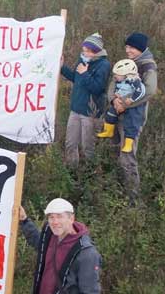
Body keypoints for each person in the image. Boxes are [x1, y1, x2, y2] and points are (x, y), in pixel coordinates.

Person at [16, 198, 101, 294]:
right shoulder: (51, 234)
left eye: (60, 216)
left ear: (71, 218)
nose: (55, 222)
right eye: (51, 217)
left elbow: (91, 293)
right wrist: (24, 220)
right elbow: (39, 243)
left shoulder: (86, 252)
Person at [112, 33, 157, 201]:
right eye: (126, 47)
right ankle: (118, 191)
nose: (127, 50)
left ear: (140, 48)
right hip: (118, 114)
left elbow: (150, 90)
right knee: (117, 152)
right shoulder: (128, 64)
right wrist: (114, 99)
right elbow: (113, 84)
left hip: (133, 119)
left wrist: (126, 104)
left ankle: (132, 199)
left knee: (127, 156)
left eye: (131, 47)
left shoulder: (147, 66)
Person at [60, 33, 111, 169]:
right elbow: (75, 78)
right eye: (84, 49)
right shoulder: (82, 60)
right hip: (76, 109)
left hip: (91, 113)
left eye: (88, 50)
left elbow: (98, 88)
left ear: (96, 51)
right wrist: (62, 67)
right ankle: (72, 172)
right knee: (70, 144)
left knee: (88, 147)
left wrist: (85, 73)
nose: (85, 52)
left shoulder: (104, 65)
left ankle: (91, 176)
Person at [98, 59, 146, 154]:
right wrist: (116, 97)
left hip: (133, 107)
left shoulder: (135, 81)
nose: (115, 76)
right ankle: (108, 130)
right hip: (119, 102)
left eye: (117, 74)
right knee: (110, 113)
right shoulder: (120, 81)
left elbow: (141, 92)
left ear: (126, 74)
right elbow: (117, 89)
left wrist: (131, 100)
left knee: (131, 123)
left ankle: (128, 143)